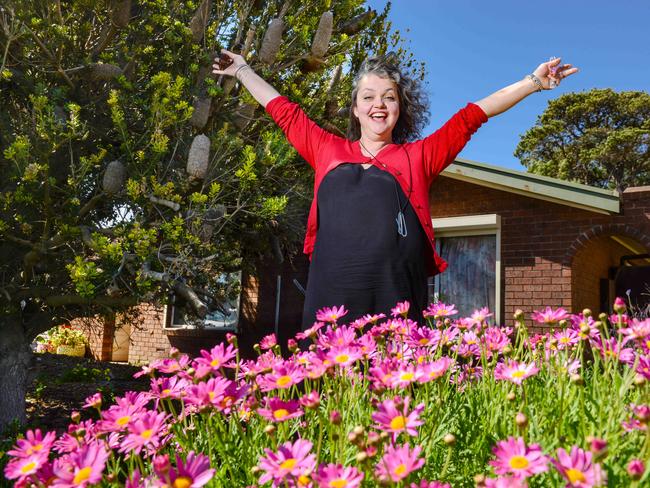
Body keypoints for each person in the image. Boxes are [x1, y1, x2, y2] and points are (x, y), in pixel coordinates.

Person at [212, 50, 578, 329]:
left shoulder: (418, 157)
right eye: (368, 97)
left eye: (389, 97)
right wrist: (242, 69)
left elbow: (472, 116)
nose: (379, 105)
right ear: (355, 109)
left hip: (396, 298)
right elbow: (283, 110)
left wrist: (533, 81)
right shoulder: (327, 149)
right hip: (330, 297)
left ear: (400, 109)